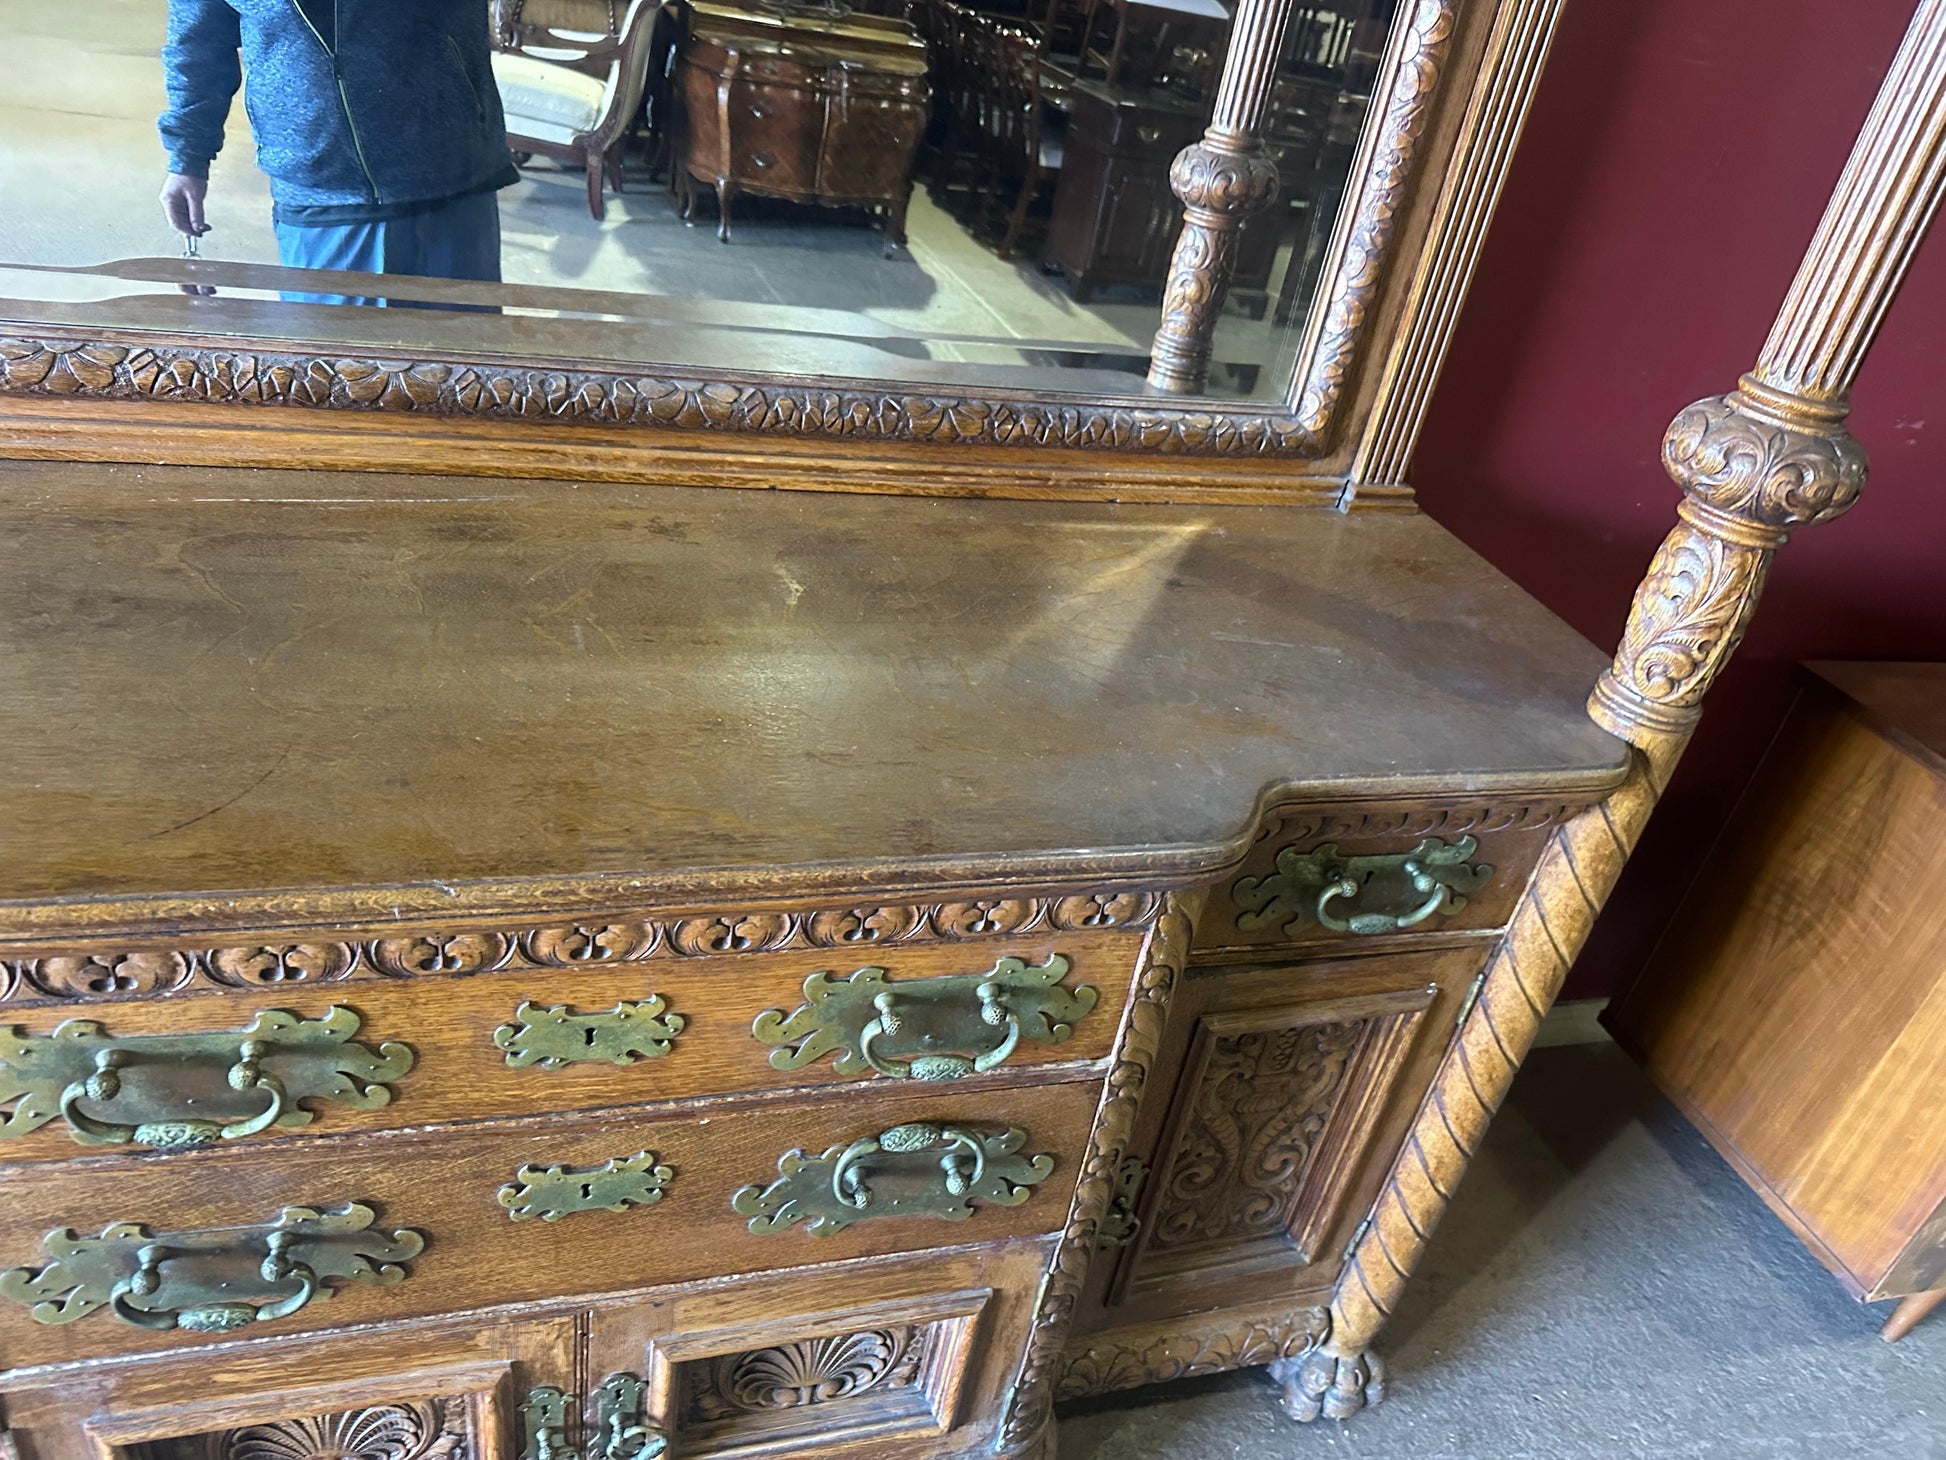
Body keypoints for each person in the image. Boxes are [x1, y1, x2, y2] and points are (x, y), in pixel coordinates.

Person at [157, 0, 519, 304]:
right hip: (317, 187)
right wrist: (187, 157)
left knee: (463, 370)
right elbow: (198, 44)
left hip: (452, 176)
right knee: (330, 372)